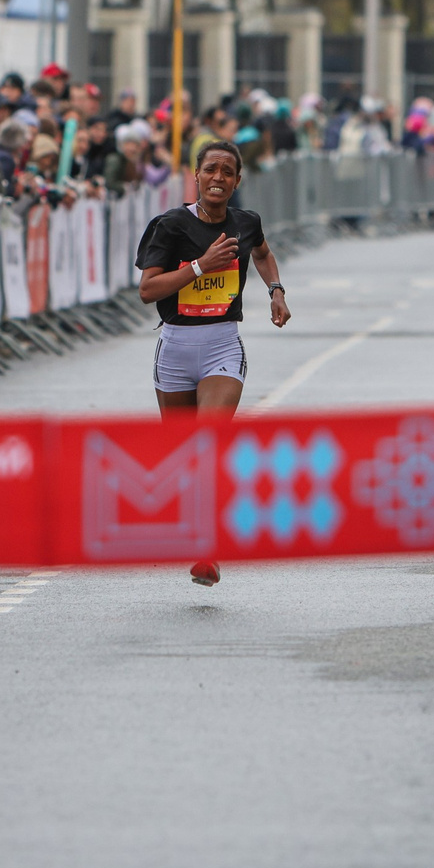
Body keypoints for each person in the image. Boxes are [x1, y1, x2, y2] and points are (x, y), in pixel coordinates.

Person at [135, 140, 291, 586]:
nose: (218, 178)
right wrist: (201, 267)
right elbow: (148, 291)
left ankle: (207, 551)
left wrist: (275, 290)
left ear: (237, 181)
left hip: (223, 345)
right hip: (176, 347)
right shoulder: (169, 225)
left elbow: (261, 252)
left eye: (227, 171)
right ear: (197, 176)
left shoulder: (246, 222)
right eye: (210, 170)